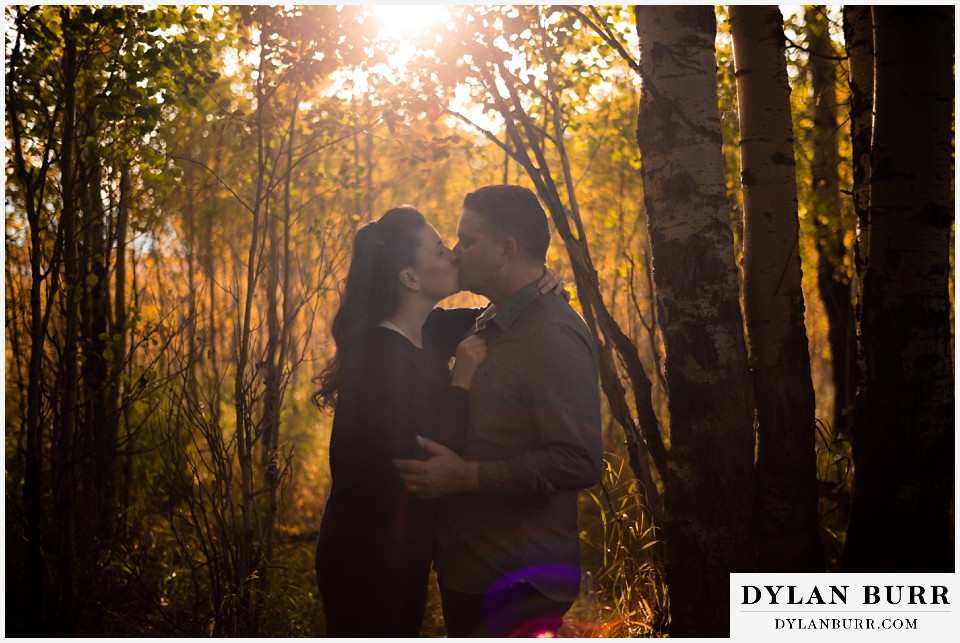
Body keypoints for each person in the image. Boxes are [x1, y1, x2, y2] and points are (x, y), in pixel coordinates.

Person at [313, 205, 563, 637]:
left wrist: (540, 282)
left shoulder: (427, 331)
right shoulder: (376, 355)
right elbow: (424, 453)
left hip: (402, 551)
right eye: (439, 249)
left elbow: (497, 314)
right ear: (409, 278)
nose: (453, 256)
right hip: (362, 556)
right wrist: (461, 379)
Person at [394, 185, 603, 637]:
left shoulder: (551, 334)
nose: (455, 252)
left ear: (506, 249)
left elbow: (579, 460)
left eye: (467, 241)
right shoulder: (490, 318)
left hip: (518, 581)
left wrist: (466, 476)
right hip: (470, 570)